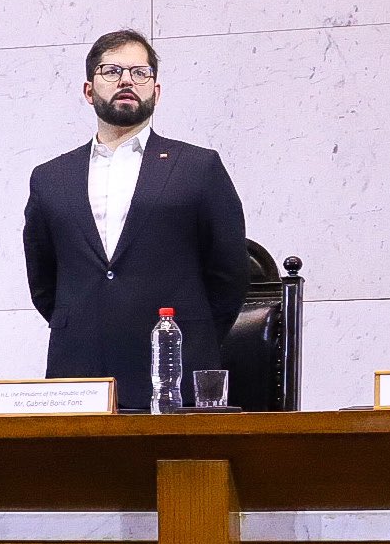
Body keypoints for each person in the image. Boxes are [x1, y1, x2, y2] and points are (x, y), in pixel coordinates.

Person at [23, 29, 251, 412]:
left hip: (173, 375)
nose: (126, 80)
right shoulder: (50, 177)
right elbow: (44, 282)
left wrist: (187, 335)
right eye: (111, 71)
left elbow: (229, 275)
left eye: (139, 72)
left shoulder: (198, 167)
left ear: (156, 92)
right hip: (79, 375)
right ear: (88, 90)